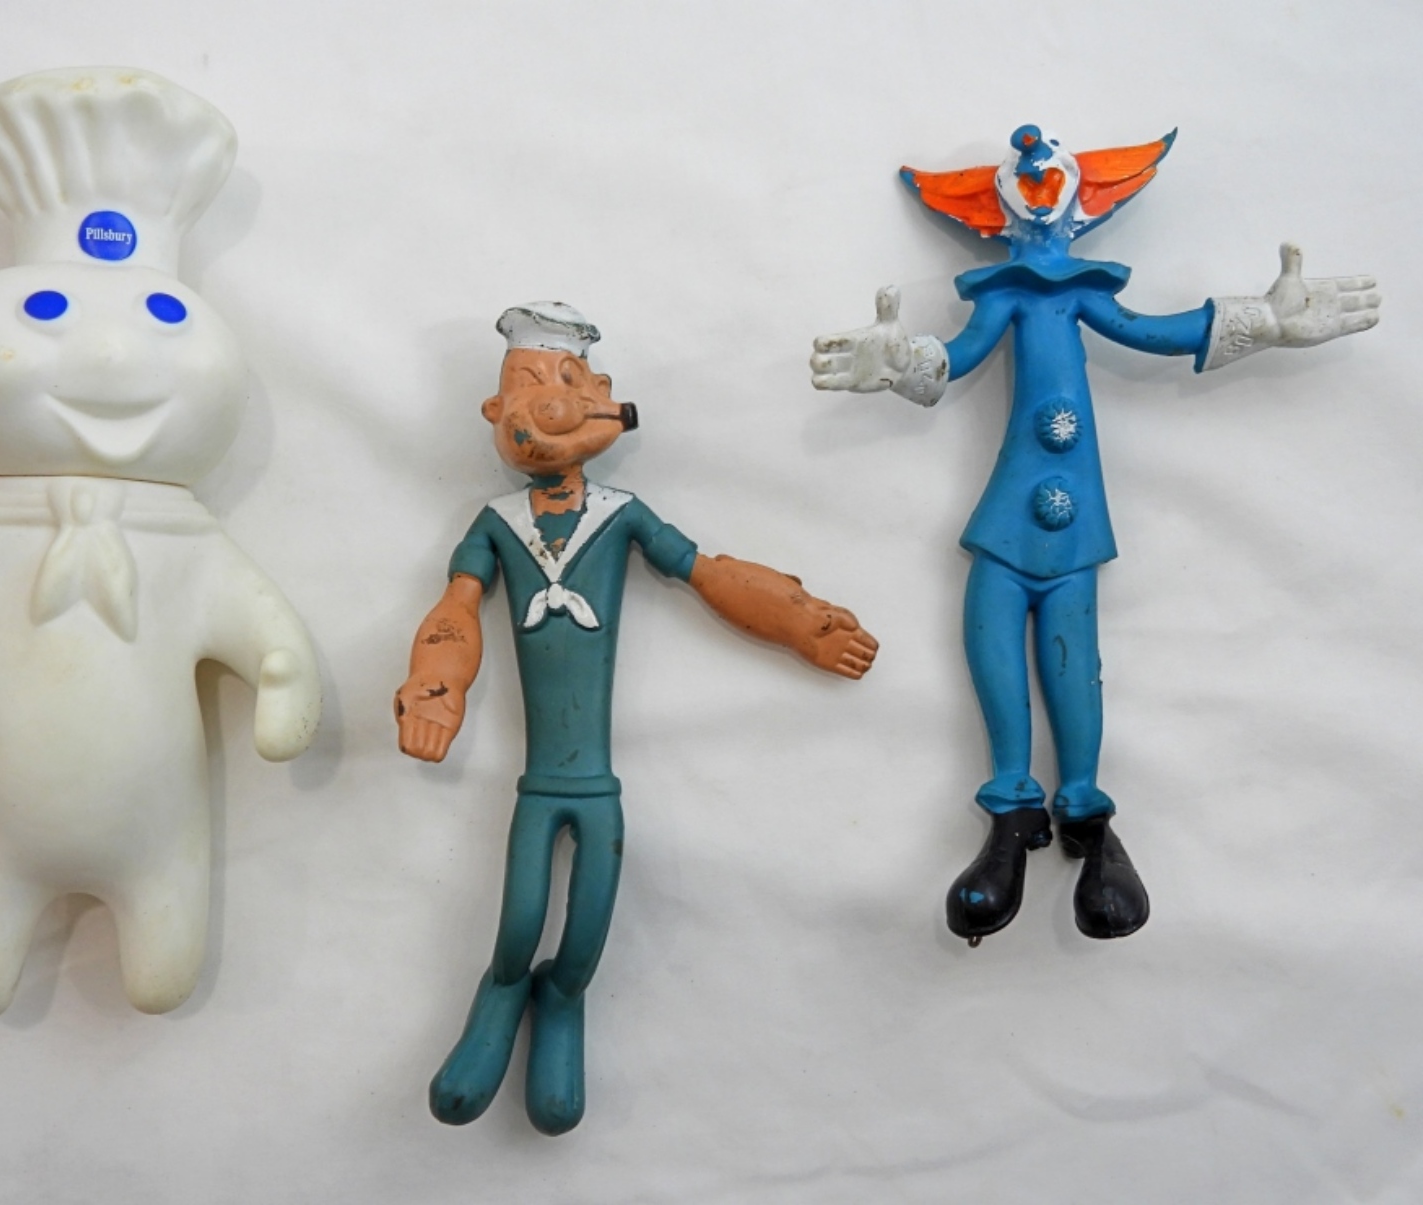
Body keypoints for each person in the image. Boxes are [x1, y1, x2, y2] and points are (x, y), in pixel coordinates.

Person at [811, 125, 1380, 944]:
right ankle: (1012, 811)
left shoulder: (1081, 295)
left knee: (1072, 660)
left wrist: (1264, 320)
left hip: (1072, 522)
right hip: (1012, 514)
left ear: (1087, 200)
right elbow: (959, 354)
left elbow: (1152, 330)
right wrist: (903, 362)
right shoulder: (1006, 296)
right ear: (991, 209)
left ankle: (1085, 813)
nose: (1035, 168)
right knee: (992, 635)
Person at [397, 301, 877, 1134]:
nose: (549, 402)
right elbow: (456, 607)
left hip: (595, 785)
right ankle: (502, 990)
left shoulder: (621, 515)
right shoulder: (496, 525)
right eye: (527, 386)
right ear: (495, 411)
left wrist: (799, 619)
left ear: (603, 397)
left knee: (585, 931)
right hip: (538, 785)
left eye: (566, 381)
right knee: (518, 923)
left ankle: (561, 999)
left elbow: (708, 573)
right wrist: (435, 682)